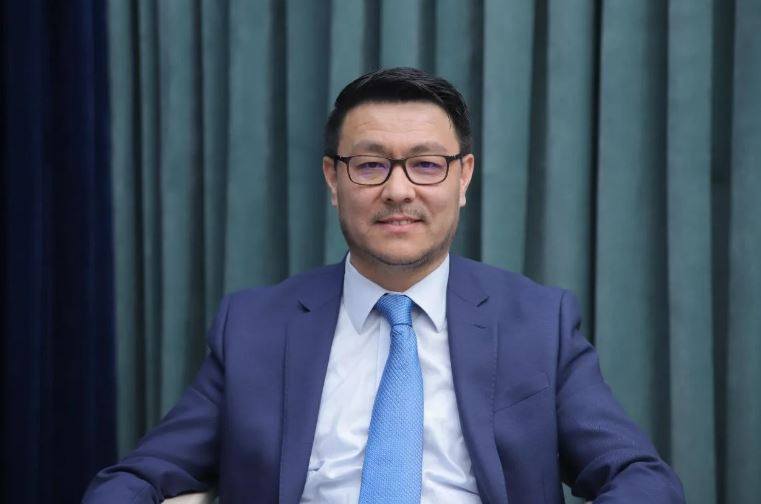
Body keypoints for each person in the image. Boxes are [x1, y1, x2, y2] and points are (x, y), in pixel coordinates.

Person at [84, 67, 685, 503]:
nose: (398, 190)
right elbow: (135, 479)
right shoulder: (253, 327)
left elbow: (641, 477)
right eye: (371, 165)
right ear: (333, 179)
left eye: (426, 164)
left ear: (463, 178)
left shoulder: (538, 322)